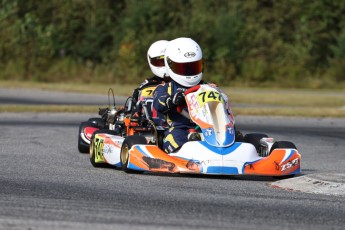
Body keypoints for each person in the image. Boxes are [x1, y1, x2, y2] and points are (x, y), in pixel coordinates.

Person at [152, 37, 204, 153]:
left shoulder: (206, 87)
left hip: (208, 129)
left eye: (194, 66)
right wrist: (172, 100)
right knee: (175, 140)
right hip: (179, 128)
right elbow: (158, 103)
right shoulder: (165, 88)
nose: (189, 72)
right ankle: (184, 155)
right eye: (183, 68)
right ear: (170, 65)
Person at [130, 40, 170, 123]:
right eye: (160, 62)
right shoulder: (146, 86)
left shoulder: (186, 84)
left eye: (167, 62)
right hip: (153, 129)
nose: (164, 66)